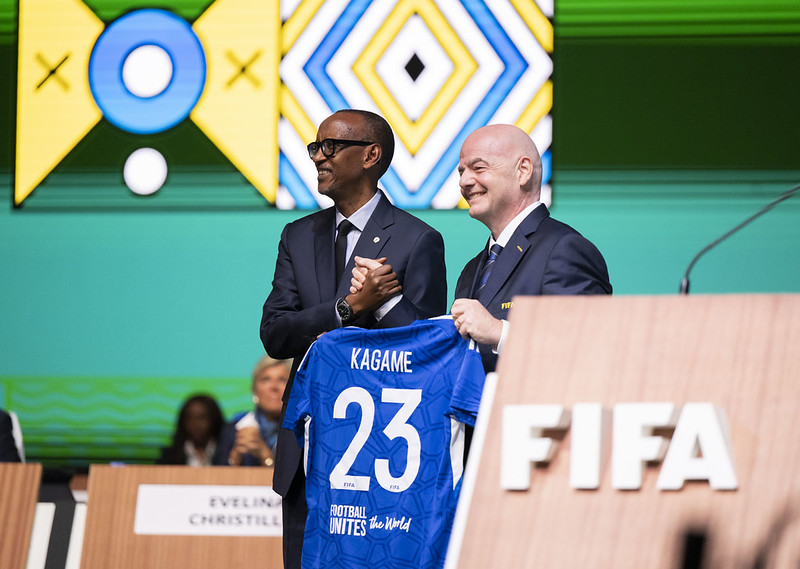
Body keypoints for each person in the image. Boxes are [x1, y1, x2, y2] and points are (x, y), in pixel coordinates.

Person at [260, 109, 447, 569]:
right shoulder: (297, 235)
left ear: (370, 155)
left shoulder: (417, 239)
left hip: (382, 456)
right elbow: (276, 334)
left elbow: (425, 354)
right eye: (315, 147)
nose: (317, 157)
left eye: (330, 147)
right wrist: (348, 308)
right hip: (308, 449)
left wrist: (383, 304)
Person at [451, 124, 612, 373]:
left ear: (523, 171)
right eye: (461, 172)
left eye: (478, 168)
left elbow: (588, 347)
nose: (464, 181)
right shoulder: (471, 270)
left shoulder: (564, 249)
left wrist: (498, 332)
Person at [217, 356, 290, 467]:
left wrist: (266, 457)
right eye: (266, 379)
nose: (274, 387)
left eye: (282, 380)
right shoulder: (233, 430)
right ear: (254, 389)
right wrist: (236, 456)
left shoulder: (299, 432)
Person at [157, 394, 223, 466]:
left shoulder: (224, 453)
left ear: (213, 419)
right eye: (190, 418)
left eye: (202, 418)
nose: (195, 424)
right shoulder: (170, 456)